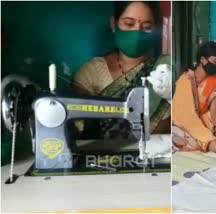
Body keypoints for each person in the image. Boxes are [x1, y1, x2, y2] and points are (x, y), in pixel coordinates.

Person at [73, 1, 171, 139]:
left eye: (147, 26)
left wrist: (173, 98)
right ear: (114, 24)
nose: (137, 32)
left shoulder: (166, 69)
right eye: (129, 24)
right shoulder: (90, 74)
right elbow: (82, 129)